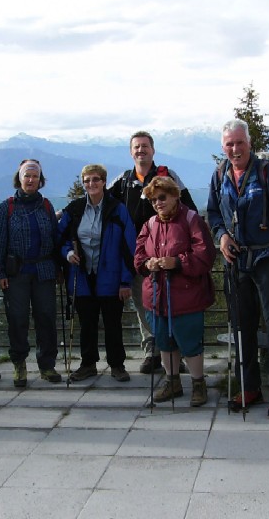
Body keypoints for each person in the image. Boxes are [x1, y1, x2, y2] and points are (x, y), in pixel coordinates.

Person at [207, 119, 269, 419]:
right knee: (241, 327)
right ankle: (249, 387)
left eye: (240, 143)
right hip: (236, 262)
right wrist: (221, 235)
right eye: (229, 144)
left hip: (267, 261)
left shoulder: (268, 173)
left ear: (249, 143)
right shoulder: (220, 174)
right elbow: (212, 213)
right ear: (223, 147)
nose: (235, 149)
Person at [108, 131, 197, 375]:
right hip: (138, 257)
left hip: (169, 256)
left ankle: (174, 355)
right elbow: (98, 201)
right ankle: (152, 353)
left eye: (145, 146)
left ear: (153, 150)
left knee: (169, 305)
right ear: (130, 152)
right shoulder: (123, 181)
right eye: (136, 147)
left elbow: (190, 208)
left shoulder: (167, 176)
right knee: (143, 305)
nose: (141, 151)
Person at [134, 176, 216, 407]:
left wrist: (177, 262)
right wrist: (147, 264)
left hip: (186, 295)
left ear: (174, 196)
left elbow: (205, 256)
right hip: (157, 295)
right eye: (153, 200)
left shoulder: (192, 220)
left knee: (189, 342)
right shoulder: (149, 225)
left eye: (162, 197)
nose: (157, 203)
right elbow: (139, 255)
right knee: (163, 341)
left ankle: (198, 384)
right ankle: (173, 382)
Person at [58, 164, 136, 383]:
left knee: (113, 322)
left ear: (104, 182)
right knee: (86, 323)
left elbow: (129, 245)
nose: (90, 184)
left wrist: (125, 281)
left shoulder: (117, 209)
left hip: (111, 277)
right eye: (86, 180)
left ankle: (117, 365)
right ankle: (88, 364)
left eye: (95, 179)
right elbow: (60, 238)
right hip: (81, 276)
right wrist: (68, 253)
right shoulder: (74, 210)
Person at [0, 160, 62, 387]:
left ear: (40, 180)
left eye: (35, 176)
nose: (30, 180)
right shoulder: (6, 207)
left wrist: (60, 267)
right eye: (27, 176)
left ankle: (47, 365)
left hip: (44, 270)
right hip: (16, 272)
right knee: (17, 319)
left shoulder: (47, 206)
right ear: (19, 179)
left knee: (46, 318)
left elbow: (55, 238)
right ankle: (19, 365)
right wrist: (0, 272)